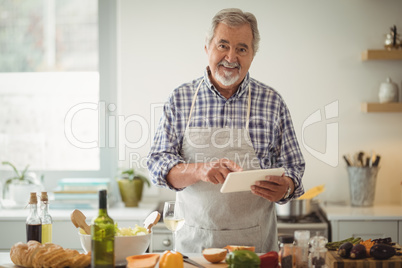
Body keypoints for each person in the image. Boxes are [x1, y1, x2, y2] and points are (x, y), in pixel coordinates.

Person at [147, 8, 305, 253]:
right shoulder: (181, 99)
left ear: (252, 55)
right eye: (223, 45)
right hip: (193, 249)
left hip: (255, 250)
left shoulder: (272, 102)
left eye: (242, 48)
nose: (231, 57)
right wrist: (199, 170)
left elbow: (295, 168)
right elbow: (158, 164)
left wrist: (286, 187)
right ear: (207, 48)